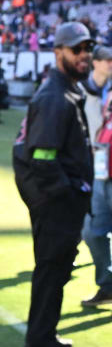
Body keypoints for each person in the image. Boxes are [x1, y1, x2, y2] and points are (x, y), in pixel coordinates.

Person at [12, 22, 95, 347]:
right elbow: (43, 158)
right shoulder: (55, 97)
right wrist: (71, 192)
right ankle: (41, 339)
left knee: (56, 272)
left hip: (58, 203)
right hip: (56, 205)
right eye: (77, 49)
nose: (84, 55)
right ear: (58, 51)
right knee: (51, 273)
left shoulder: (67, 90)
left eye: (87, 48)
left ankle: (44, 335)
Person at [81, 45, 112, 308]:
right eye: (108, 59)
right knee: (91, 232)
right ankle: (108, 284)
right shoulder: (85, 90)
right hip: (99, 170)